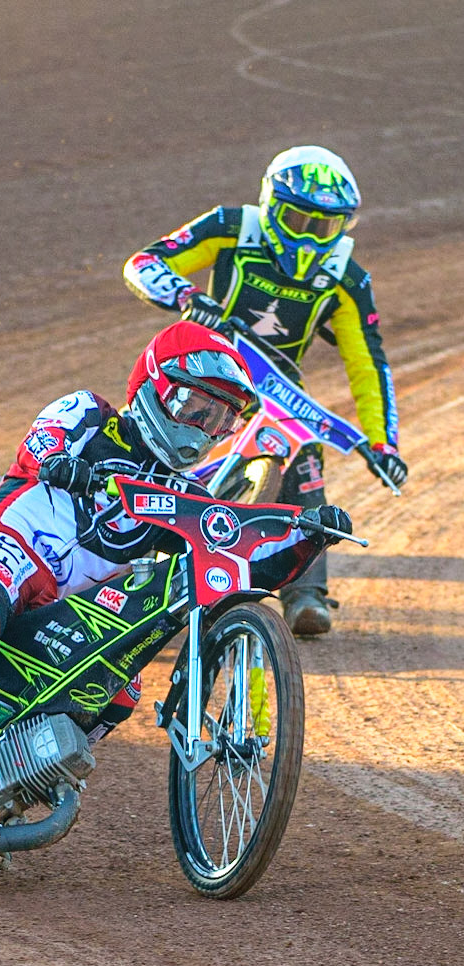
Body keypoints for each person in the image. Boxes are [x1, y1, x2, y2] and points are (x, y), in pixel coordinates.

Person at [0, 322, 352, 843]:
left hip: (56, 604)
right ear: (154, 386)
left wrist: (307, 539)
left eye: (218, 420)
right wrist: (72, 466)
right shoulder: (91, 412)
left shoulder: (185, 497)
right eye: (193, 407)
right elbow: (42, 444)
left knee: (115, 687)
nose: (202, 430)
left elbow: (233, 566)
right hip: (9, 539)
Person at [123, 145, 402, 636]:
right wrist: (187, 295)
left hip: (276, 389)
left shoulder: (345, 276)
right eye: (297, 219)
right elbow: (146, 262)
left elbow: (366, 360)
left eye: (325, 226)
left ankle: (306, 593)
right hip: (199, 365)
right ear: (272, 206)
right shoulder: (232, 227)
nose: (310, 236)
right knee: (139, 435)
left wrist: (382, 441)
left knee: (306, 454)